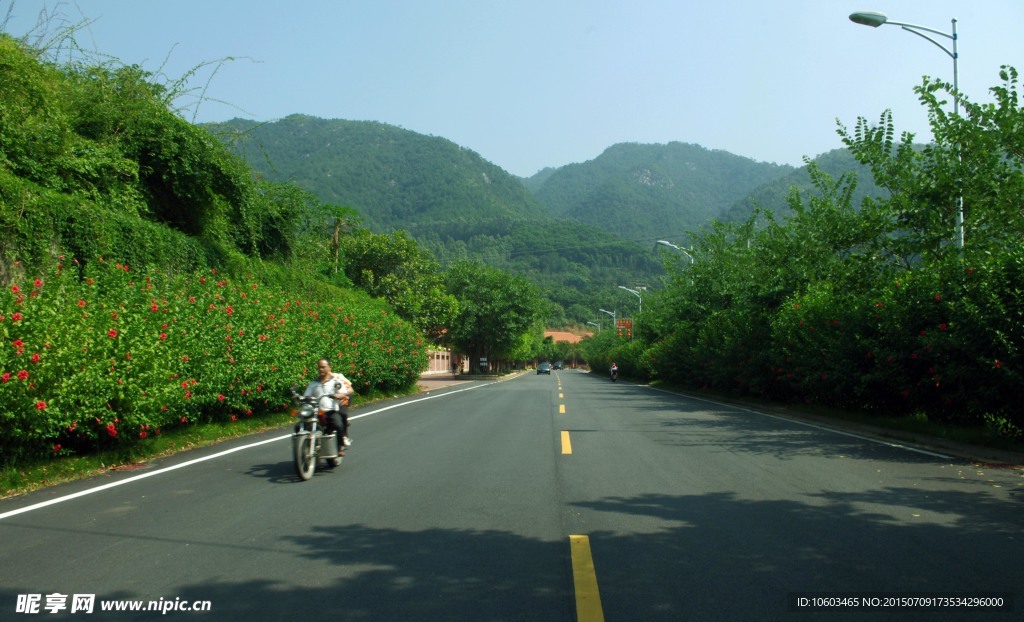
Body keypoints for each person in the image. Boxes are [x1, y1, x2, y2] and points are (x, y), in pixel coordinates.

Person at [303, 358, 354, 455]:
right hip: (316, 411)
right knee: (303, 424)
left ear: (329, 367)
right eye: (319, 367)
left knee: (338, 424)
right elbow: (307, 395)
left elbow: (344, 392)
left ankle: (340, 446)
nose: (321, 369)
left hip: (330, 410)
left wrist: (339, 395)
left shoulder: (336, 381)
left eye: (323, 367)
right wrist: (302, 398)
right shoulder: (313, 383)